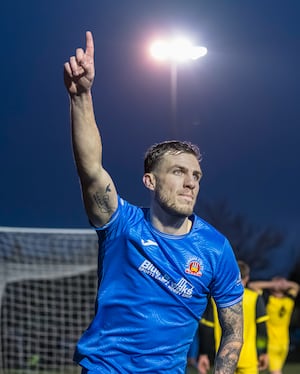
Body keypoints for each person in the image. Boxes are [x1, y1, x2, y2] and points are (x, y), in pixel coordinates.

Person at [64, 30, 244, 374]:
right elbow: (91, 170)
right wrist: (82, 96)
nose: (191, 181)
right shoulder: (121, 224)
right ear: (150, 180)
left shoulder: (215, 249)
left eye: (196, 175)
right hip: (104, 368)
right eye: (178, 171)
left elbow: (233, 328)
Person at [198, 260, 269, 374]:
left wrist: (203, 354)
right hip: (249, 358)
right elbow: (262, 329)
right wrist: (263, 352)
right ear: (246, 278)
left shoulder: (215, 299)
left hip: (224, 359)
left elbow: (207, 329)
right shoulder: (255, 297)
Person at [248, 276, 299, 374]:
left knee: (274, 371)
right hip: (278, 343)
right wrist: (276, 284)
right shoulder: (275, 299)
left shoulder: (282, 299)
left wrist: (277, 284)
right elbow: (252, 285)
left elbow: (296, 286)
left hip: (277, 343)